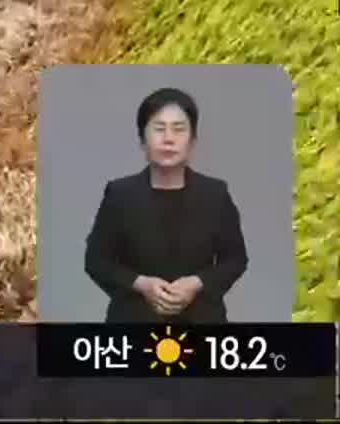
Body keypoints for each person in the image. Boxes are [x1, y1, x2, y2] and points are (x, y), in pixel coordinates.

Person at [82, 87, 248, 322]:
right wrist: (141, 285)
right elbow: (96, 260)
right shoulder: (120, 195)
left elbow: (235, 259)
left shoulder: (215, 194)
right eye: (159, 129)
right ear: (142, 139)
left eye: (179, 129)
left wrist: (196, 283)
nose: (168, 139)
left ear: (192, 141)